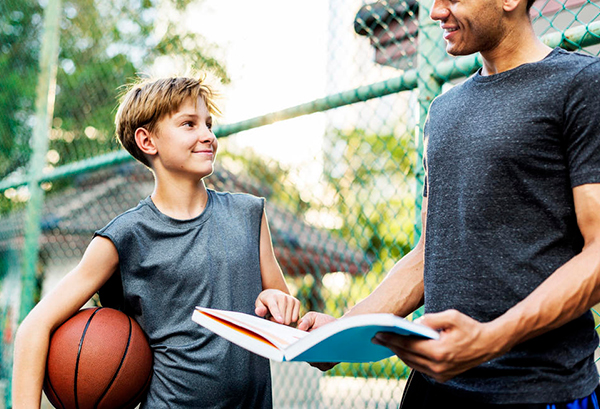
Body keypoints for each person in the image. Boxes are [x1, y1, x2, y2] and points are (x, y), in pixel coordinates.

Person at [299, 0, 600, 407]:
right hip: (433, 390)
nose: (437, 12)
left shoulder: (582, 84)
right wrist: (342, 332)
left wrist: (491, 339)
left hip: (540, 389)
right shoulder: (443, 110)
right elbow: (430, 254)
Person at [12, 74, 301, 408]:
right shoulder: (125, 236)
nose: (208, 135)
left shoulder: (249, 214)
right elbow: (33, 327)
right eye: (189, 125)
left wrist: (277, 302)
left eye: (209, 124)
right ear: (148, 141)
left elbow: (286, 320)